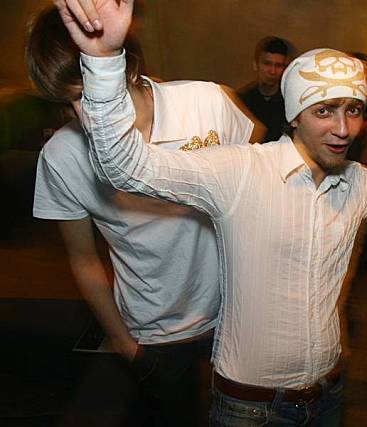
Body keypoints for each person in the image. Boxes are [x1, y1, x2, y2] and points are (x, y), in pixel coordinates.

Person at [53, 0, 367, 424]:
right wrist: (104, 60)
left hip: (327, 393)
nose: (344, 129)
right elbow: (125, 166)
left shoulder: (358, 183)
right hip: (250, 408)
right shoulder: (240, 172)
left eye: (354, 110)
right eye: (324, 111)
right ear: (295, 116)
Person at [28, 6, 260, 426]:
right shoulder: (62, 156)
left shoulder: (205, 101)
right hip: (155, 335)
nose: (86, 114)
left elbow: (255, 159)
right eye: (72, 100)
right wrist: (126, 346)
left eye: (89, 92)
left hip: (236, 315)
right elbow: (83, 259)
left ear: (128, 66)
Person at [237, 36, 289, 143]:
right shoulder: (241, 100)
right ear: (256, 65)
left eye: (278, 65)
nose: (272, 71)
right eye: (267, 64)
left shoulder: (289, 102)